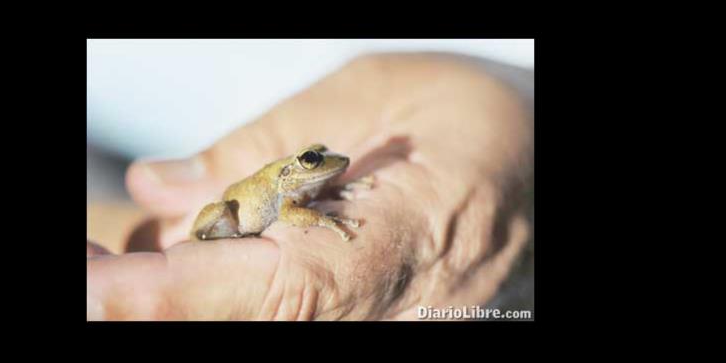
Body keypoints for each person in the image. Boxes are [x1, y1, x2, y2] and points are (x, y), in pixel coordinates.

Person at [86, 52, 534, 320]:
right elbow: (286, 211)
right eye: (311, 160)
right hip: (116, 146)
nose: (325, 164)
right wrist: (325, 220)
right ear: (295, 168)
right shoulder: (286, 188)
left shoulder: (306, 180)